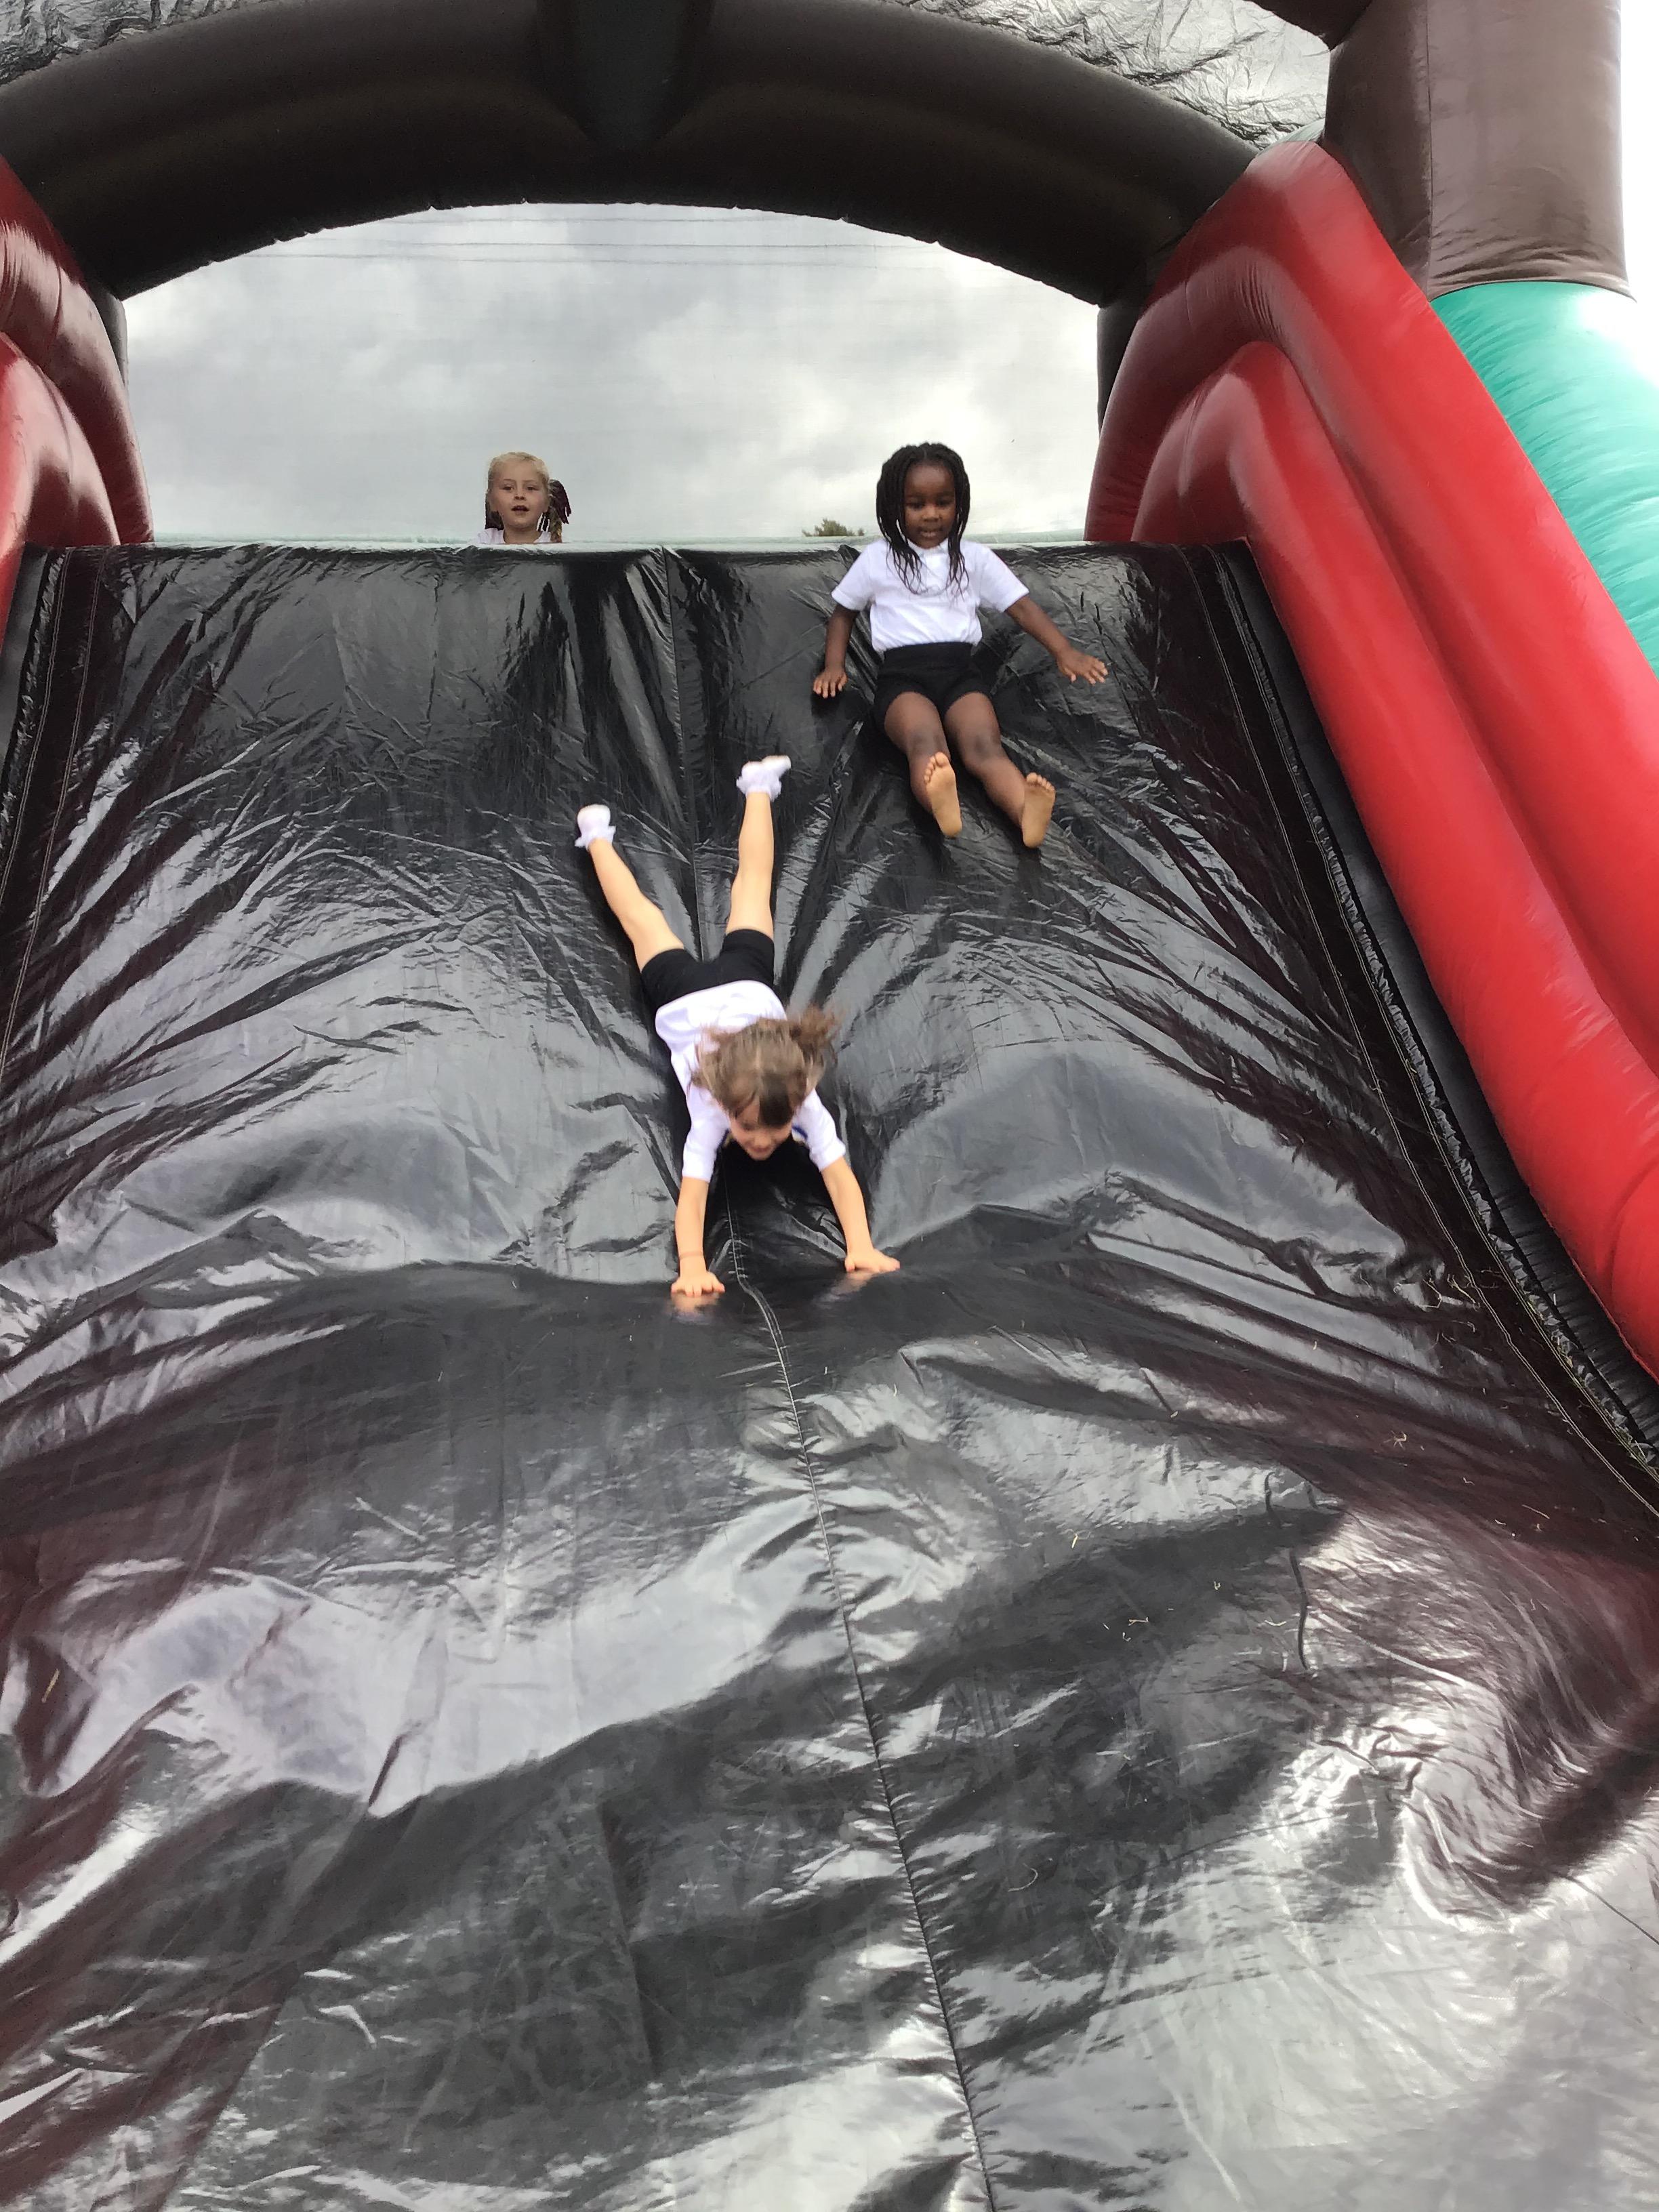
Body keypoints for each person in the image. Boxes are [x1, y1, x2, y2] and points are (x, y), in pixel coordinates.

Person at [575, 757, 899, 1300]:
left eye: (775, 1129)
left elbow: (839, 1175)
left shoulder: (798, 1096)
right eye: (750, 1129)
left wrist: (860, 1245)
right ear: (725, 1101)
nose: (763, 1142)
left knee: (748, 888)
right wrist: (692, 1265)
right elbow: (693, 1197)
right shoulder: (711, 1108)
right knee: (643, 917)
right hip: (685, 996)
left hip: (743, 990)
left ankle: (758, 788)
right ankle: (597, 840)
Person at [813, 441, 1109, 846]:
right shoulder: (879, 559)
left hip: (961, 677)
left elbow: (1022, 608)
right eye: (917, 504)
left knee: (985, 747)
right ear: (895, 507)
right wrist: (834, 666)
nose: (931, 514)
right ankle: (942, 806)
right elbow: (843, 614)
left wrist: (1064, 650)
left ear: (959, 503)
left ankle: (1027, 814)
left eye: (943, 502)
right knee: (926, 744)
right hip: (903, 681)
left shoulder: (973, 559)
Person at [474, 450, 572, 546]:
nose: (519, 495)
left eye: (530, 488)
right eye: (508, 488)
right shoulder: (482, 543)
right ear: (492, 501)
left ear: (547, 502)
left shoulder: (561, 546)